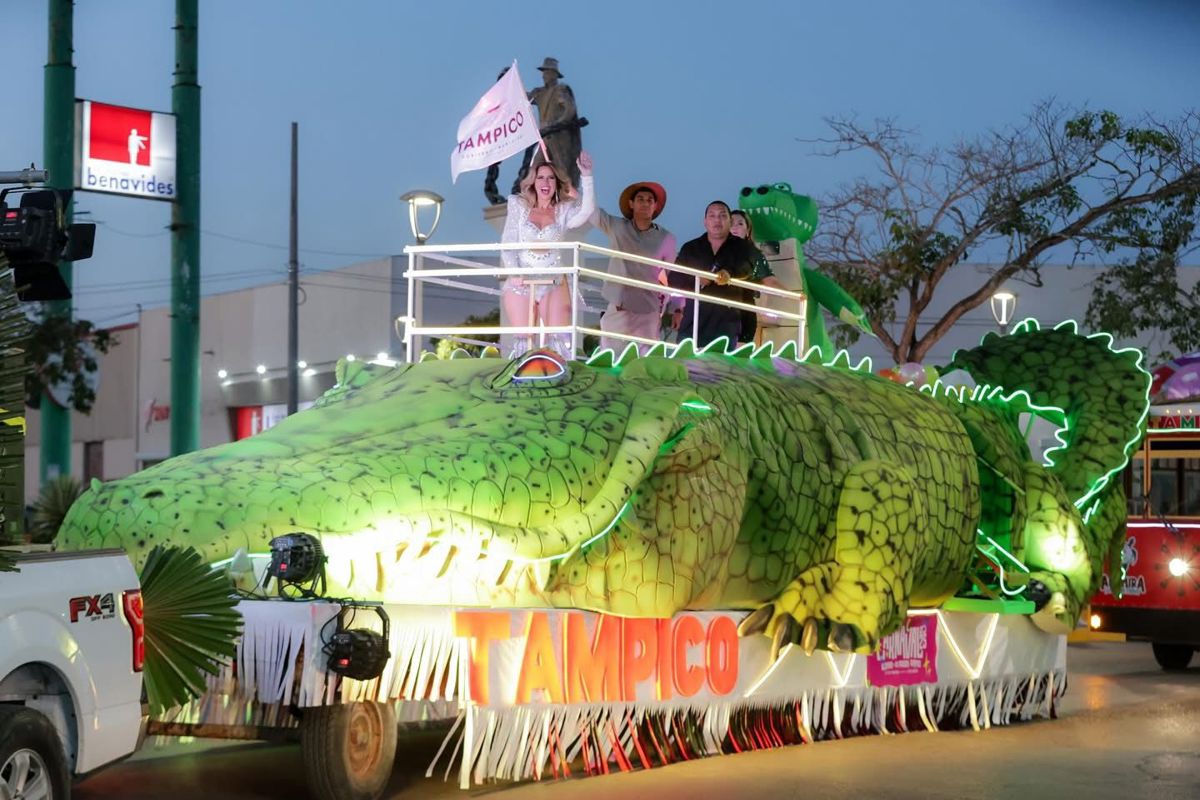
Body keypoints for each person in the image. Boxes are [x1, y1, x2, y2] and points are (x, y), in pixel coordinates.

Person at [500, 150, 594, 358]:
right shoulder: (519, 206)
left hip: (553, 281)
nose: (546, 182)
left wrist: (587, 177)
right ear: (533, 182)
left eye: (551, 178)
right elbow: (508, 244)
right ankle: (521, 380)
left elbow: (586, 212)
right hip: (522, 282)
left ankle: (558, 378)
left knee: (559, 339)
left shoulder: (563, 210)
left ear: (556, 183)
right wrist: (515, 274)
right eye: (541, 177)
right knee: (524, 338)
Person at [591, 182, 676, 354]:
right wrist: (586, 177)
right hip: (618, 307)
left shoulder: (667, 238)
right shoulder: (618, 227)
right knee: (611, 359)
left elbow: (666, 275)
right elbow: (592, 213)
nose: (645, 203)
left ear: (655, 206)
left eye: (650, 200)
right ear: (631, 204)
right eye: (640, 199)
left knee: (645, 363)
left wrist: (667, 306)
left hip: (647, 310)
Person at [669, 201, 760, 347]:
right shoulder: (691, 248)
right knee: (687, 366)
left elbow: (746, 267)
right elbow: (674, 279)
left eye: (723, 216)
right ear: (705, 221)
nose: (717, 220)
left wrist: (728, 273)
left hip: (727, 325)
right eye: (712, 216)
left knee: (722, 367)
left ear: (730, 221)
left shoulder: (743, 247)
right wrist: (697, 281)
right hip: (693, 322)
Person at [511, 58, 589, 194]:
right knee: (535, 165)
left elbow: (569, 109)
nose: (544, 75)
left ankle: (570, 194)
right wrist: (512, 82)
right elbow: (524, 98)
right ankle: (525, 193)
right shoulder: (539, 93)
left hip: (559, 137)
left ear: (554, 74)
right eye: (543, 72)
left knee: (561, 167)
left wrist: (559, 123)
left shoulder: (560, 90)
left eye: (547, 72)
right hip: (545, 137)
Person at [729, 209, 785, 345]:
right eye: (731, 223)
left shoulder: (754, 254)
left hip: (744, 308)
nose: (735, 227)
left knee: (740, 352)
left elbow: (769, 278)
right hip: (716, 307)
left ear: (748, 230)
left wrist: (790, 294)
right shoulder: (711, 249)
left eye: (740, 224)